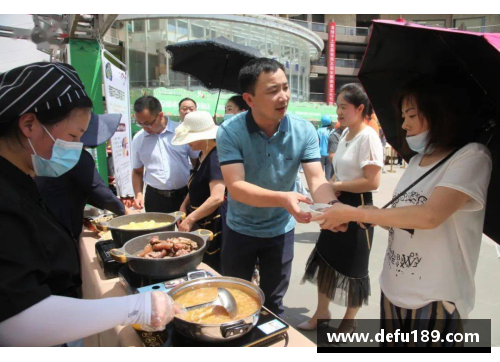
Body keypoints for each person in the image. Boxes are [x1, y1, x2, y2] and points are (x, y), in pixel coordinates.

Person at [0, 62, 179, 346]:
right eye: (73, 137)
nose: (75, 148)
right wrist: (137, 308)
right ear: (29, 124)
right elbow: (13, 319)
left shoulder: (21, 179)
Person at [312, 79, 492, 345]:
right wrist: (369, 213)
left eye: (411, 115)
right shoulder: (418, 161)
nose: (404, 124)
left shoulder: (471, 157)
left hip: (435, 298)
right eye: (402, 116)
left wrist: (358, 214)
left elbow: (429, 216)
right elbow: (401, 219)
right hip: (393, 290)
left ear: (439, 114)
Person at [216, 58, 345, 316]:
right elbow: (237, 187)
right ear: (249, 99)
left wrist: (333, 208)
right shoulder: (230, 131)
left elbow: (317, 179)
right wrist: (284, 199)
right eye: (273, 91)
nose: (283, 96)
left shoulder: (303, 130)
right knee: (234, 299)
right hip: (240, 228)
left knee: (273, 302)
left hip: (279, 230)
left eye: (285, 88)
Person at [299, 83, 383, 333]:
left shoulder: (368, 136)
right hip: (337, 202)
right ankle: (321, 313)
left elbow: (373, 181)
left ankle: (349, 320)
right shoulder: (346, 134)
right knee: (325, 258)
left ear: (359, 109)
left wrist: (339, 184)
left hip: (358, 209)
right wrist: (333, 187)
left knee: (354, 268)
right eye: (337, 106)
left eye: (343, 107)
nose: (338, 111)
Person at [35, 113, 136, 241]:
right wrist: (126, 212)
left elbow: (88, 189)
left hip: (45, 218)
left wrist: (114, 203)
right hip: (59, 223)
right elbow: (97, 189)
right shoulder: (78, 157)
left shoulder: (61, 153)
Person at [171, 111, 227, 272]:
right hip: (200, 220)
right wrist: (183, 205)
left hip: (214, 224)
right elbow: (196, 184)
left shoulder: (215, 157)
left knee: (212, 268)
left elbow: (217, 198)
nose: (187, 143)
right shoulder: (203, 154)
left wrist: (189, 220)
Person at [132, 96, 199, 213]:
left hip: (183, 196)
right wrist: (138, 194)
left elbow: (197, 165)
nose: (145, 128)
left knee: (184, 230)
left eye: (148, 123)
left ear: (160, 115)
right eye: (140, 124)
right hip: (154, 199)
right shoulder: (139, 139)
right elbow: (137, 171)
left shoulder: (182, 132)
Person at [318, 115, 334, 179]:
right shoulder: (333, 130)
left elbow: (317, 142)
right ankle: (328, 187)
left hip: (320, 153)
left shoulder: (319, 130)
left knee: (319, 173)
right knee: (329, 174)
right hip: (330, 154)